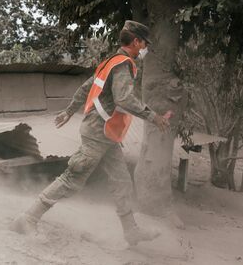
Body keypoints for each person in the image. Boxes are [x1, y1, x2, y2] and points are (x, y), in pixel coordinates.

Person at [10, 20, 171, 246]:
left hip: (106, 134)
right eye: (144, 43)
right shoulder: (123, 64)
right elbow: (124, 98)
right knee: (73, 177)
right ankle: (28, 218)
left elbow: (86, 87)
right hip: (99, 133)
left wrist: (69, 111)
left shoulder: (109, 62)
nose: (145, 48)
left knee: (121, 181)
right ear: (136, 41)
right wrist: (154, 117)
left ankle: (131, 230)